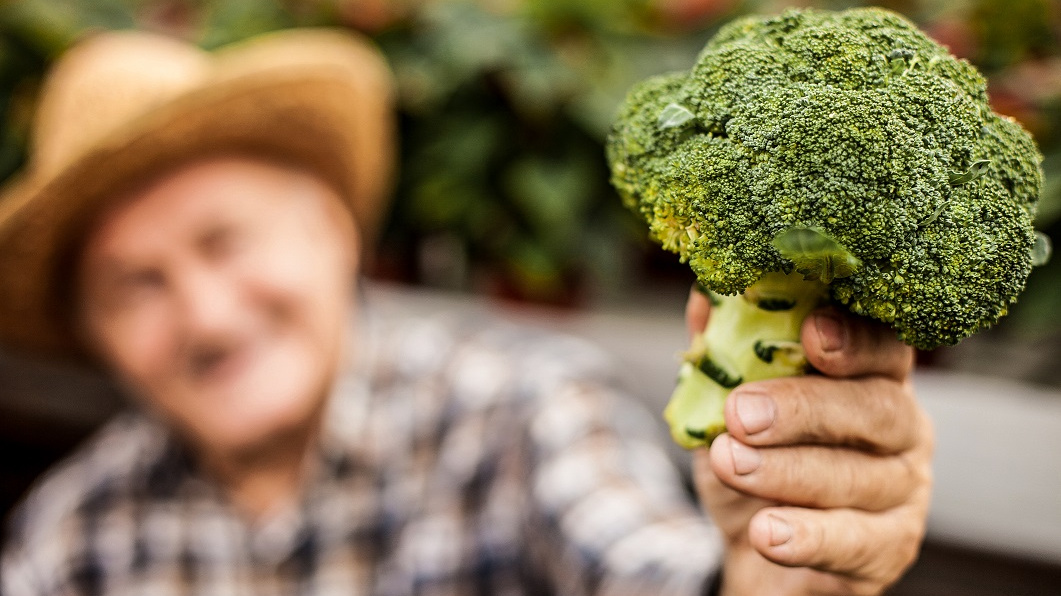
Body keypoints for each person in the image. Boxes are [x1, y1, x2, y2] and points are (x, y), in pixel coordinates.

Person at [0, 27, 932, 596]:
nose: (203, 316)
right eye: (134, 285)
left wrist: (768, 581)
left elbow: (642, 564)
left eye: (224, 242)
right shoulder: (72, 536)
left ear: (332, 231)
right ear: (92, 335)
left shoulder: (521, 411)